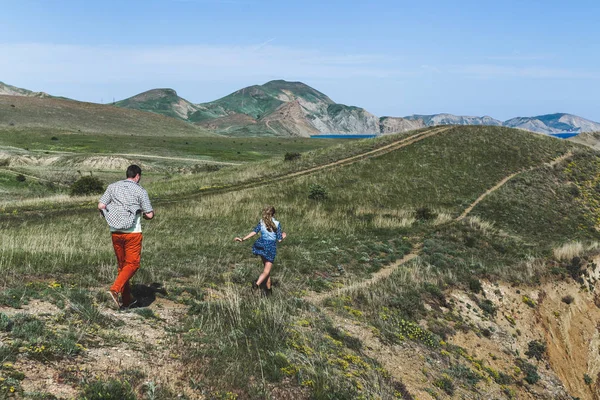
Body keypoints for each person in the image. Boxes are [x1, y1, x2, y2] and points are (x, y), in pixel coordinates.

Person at [98, 165, 154, 309]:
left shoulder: (112, 187)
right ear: (137, 176)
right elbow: (149, 215)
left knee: (123, 266)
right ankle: (115, 290)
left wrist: (113, 215)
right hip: (132, 232)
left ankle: (127, 300)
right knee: (133, 264)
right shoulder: (140, 190)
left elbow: (101, 205)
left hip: (115, 232)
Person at [235, 206, 286, 296]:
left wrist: (243, 239)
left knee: (267, 271)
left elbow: (254, 232)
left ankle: (269, 292)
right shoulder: (277, 223)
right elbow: (279, 240)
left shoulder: (262, 222)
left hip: (261, 246)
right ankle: (256, 285)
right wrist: (283, 236)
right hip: (270, 248)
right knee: (266, 271)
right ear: (274, 214)